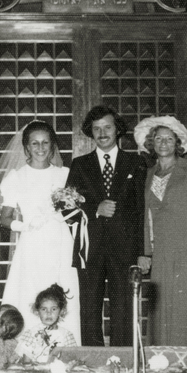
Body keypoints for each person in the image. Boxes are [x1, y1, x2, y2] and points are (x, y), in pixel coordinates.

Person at [65, 106, 147, 347]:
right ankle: (92, 362)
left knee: (124, 307)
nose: (102, 133)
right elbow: (66, 206)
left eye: (107, 127)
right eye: (96, 128)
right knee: (89, 307)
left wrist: (143, 251)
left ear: (118, 130)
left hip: (126, 247)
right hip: (90, 247)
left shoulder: (136, 162)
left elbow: (143, 209)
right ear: (90, 133)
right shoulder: (80, 164)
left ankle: (122, 363)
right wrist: (94, 209)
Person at [134, 116, 187, 346]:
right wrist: (147, 252)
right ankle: (165, 361)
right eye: (158, 138)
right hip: (162, 252)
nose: (163, 143)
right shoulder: (149, 174)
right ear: (151, 143)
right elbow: (147, 216)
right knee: (163, 308)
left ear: (178, 143)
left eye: (169, 139)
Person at [0, 120, 81, 342]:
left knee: (64, 291)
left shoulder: (65, 174)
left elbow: (78, 213)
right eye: (34, 143)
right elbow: (4, 217)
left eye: (46, 142)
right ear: (26, 147)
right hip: (33, 243)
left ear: (53, 145)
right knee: (30, 290)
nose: (41, 148)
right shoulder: (16, 177)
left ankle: (65, 349)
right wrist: (25, 226)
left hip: (61, 242)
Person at [17, 284, 79, 364]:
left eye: (53, 309)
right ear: (37, 311)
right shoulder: (31, 334)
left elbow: (72, 359)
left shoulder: (66, 335)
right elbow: (26, 360)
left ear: (61, 311)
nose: (48, 313)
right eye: (44, 309)